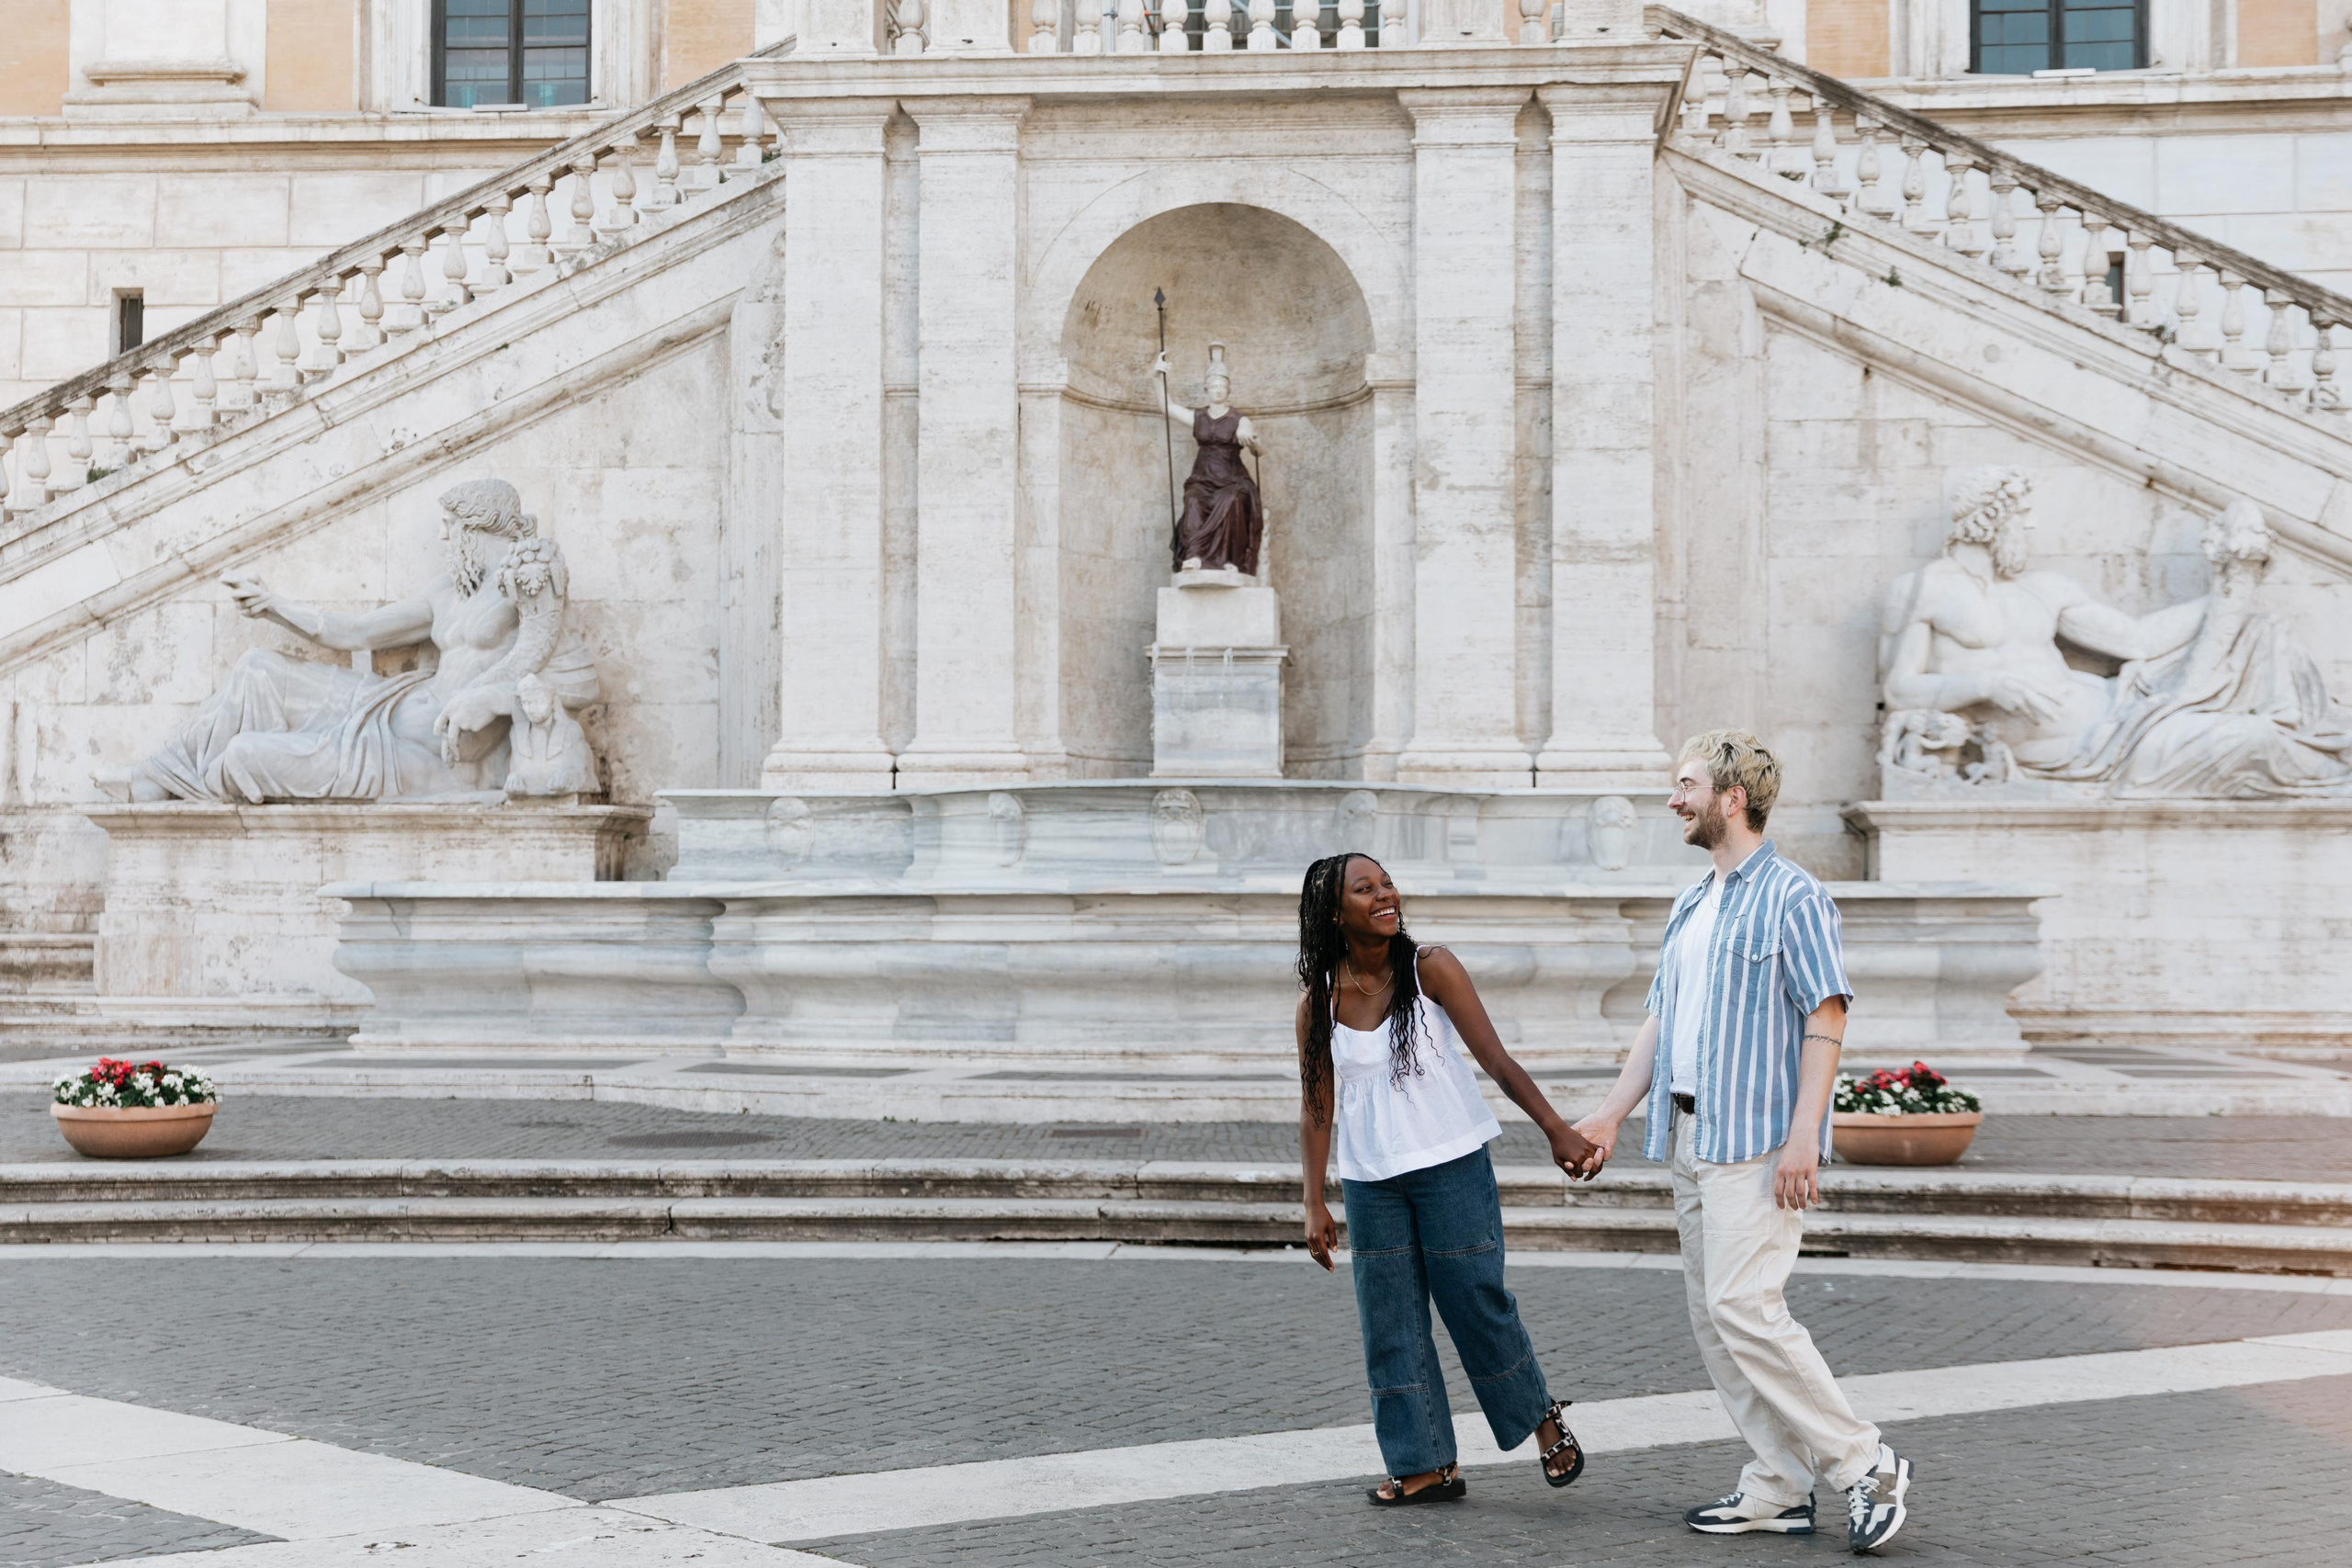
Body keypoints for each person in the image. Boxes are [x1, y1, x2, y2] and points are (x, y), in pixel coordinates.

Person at [1573, 731, 1915, 1552]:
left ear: (1731, 795)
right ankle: (1777, 1483)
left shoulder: (1794, 896)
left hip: (1758, 1140)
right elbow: (1661, 1016)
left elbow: (1826, 1015)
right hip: (1691, 1133)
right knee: (1714, 1316)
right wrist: (1613, 1111)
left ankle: (1866, 1464)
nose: (1672, 799)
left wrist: (1806, 1135)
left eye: (1685, 784)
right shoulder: (1694, 902)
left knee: (1745, 1308)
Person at [1295, 852, 1600, 1507]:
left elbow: (1496, 1057)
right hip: (1373, 1181)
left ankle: (1542, 1419)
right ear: (1333, 910)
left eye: (1386, 882)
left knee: (1474, 1299)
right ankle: (1425, 1462)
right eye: (1365, 888)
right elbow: (1318, 1105)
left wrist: (1556, 1128)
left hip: (1450, 1163)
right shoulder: (1317, 1003)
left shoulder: (1429, 966)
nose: (1385, 894)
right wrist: (1314, 1198)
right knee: (1390, 1323)